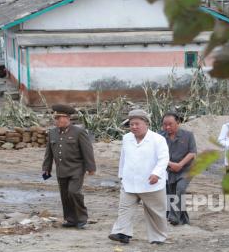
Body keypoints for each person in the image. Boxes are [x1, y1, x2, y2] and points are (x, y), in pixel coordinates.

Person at [109, 109, 169, 244]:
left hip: (151, 183)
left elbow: (164, 159)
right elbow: (123, 159)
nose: (134, 127)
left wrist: (156, 173)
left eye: (137, 124)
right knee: (125, 209)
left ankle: (158, 238)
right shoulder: (127, 138)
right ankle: (122, 233)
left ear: (146, 124)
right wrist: (121, 175)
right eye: (131, 125)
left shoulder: (158, 139)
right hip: (129, 182)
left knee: (156, 213)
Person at [42, 104, 96, 229]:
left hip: (76, 168)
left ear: (67, 118)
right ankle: (70, 219)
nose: (56, 121)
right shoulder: (52, 133)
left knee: (74, 192)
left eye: (58, 118)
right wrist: (46, 168)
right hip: (61, 169)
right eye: (55, 118)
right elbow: (49, 153)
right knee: (65, 195)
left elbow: (87, 151)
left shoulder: (79, 132)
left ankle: (82, 219)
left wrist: (91, 167)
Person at [160, 112, 197, 226]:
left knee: (180, 189)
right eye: (165, 124)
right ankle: (184, 220)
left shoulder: (188, 135)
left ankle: (173, 216)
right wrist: (170, 164)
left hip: (186, 169)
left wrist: (180, 165)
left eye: (170, 124)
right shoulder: (160, 136)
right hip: (169, 169)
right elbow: (156, 154)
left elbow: (192, 153)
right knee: (171, 194)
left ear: (178, 123)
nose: (167, 127)